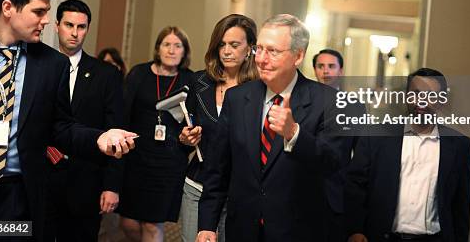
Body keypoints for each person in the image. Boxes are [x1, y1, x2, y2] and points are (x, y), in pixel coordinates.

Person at [0, 0, 136, 241]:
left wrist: (99, 138)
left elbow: (61, 127)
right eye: (39, 12)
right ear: (8, 7)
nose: (46, 21)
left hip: (17, 199)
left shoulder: (51, 65)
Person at [197, 14, 342, 242]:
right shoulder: (237, 98)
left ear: (298, 55)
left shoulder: (328, 101)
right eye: (259, 49)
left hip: (297, 230)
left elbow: (334, 162)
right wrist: (206, 225)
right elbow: (218, 168)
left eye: (273, 51)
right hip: (243, 228)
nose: (261, 59)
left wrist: (294, 134)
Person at [345, 68, 470, 242]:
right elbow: (355, 186)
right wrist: (355, 230)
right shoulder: (375, 136)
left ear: (442, 101)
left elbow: (461, 205)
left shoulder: (460, 146)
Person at [44, 0, 125, 241]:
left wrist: (112, 185)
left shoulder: (106, 75)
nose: (75, 33)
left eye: (81, 27)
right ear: (57, 25)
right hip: (43, 175)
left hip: (86, 179)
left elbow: (116, 130)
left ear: (88, 29)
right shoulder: (38, 65)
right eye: (69, 25)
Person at [178, 14, 258, 242]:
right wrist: (186, 138)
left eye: (234, 45)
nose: (227, 51)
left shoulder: (258, 89)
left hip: (239, 191)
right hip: (198, 184)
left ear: (250, 48)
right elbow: (184, 131)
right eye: (222, 44)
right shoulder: (199, 82)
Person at [119, 26, 194, 241]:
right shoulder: (139, 73)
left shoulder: (190, 81)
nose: (171, 50)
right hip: (135, 159)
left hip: (169, 163)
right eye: (166, 44)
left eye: (177, 46)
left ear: (184, 52)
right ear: (158, 49)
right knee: (128, 222)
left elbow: (194, 120)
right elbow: (124, 112)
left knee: (152, 225)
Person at [312, 48, 351, 242]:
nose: (325, 71)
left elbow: (359, 153)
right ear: (314, 70)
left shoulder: (354, 106)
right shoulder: (302, 100)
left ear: (341, 71)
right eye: (320, 66)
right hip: (303, 189)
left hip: (337, 192)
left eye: (331, 66)